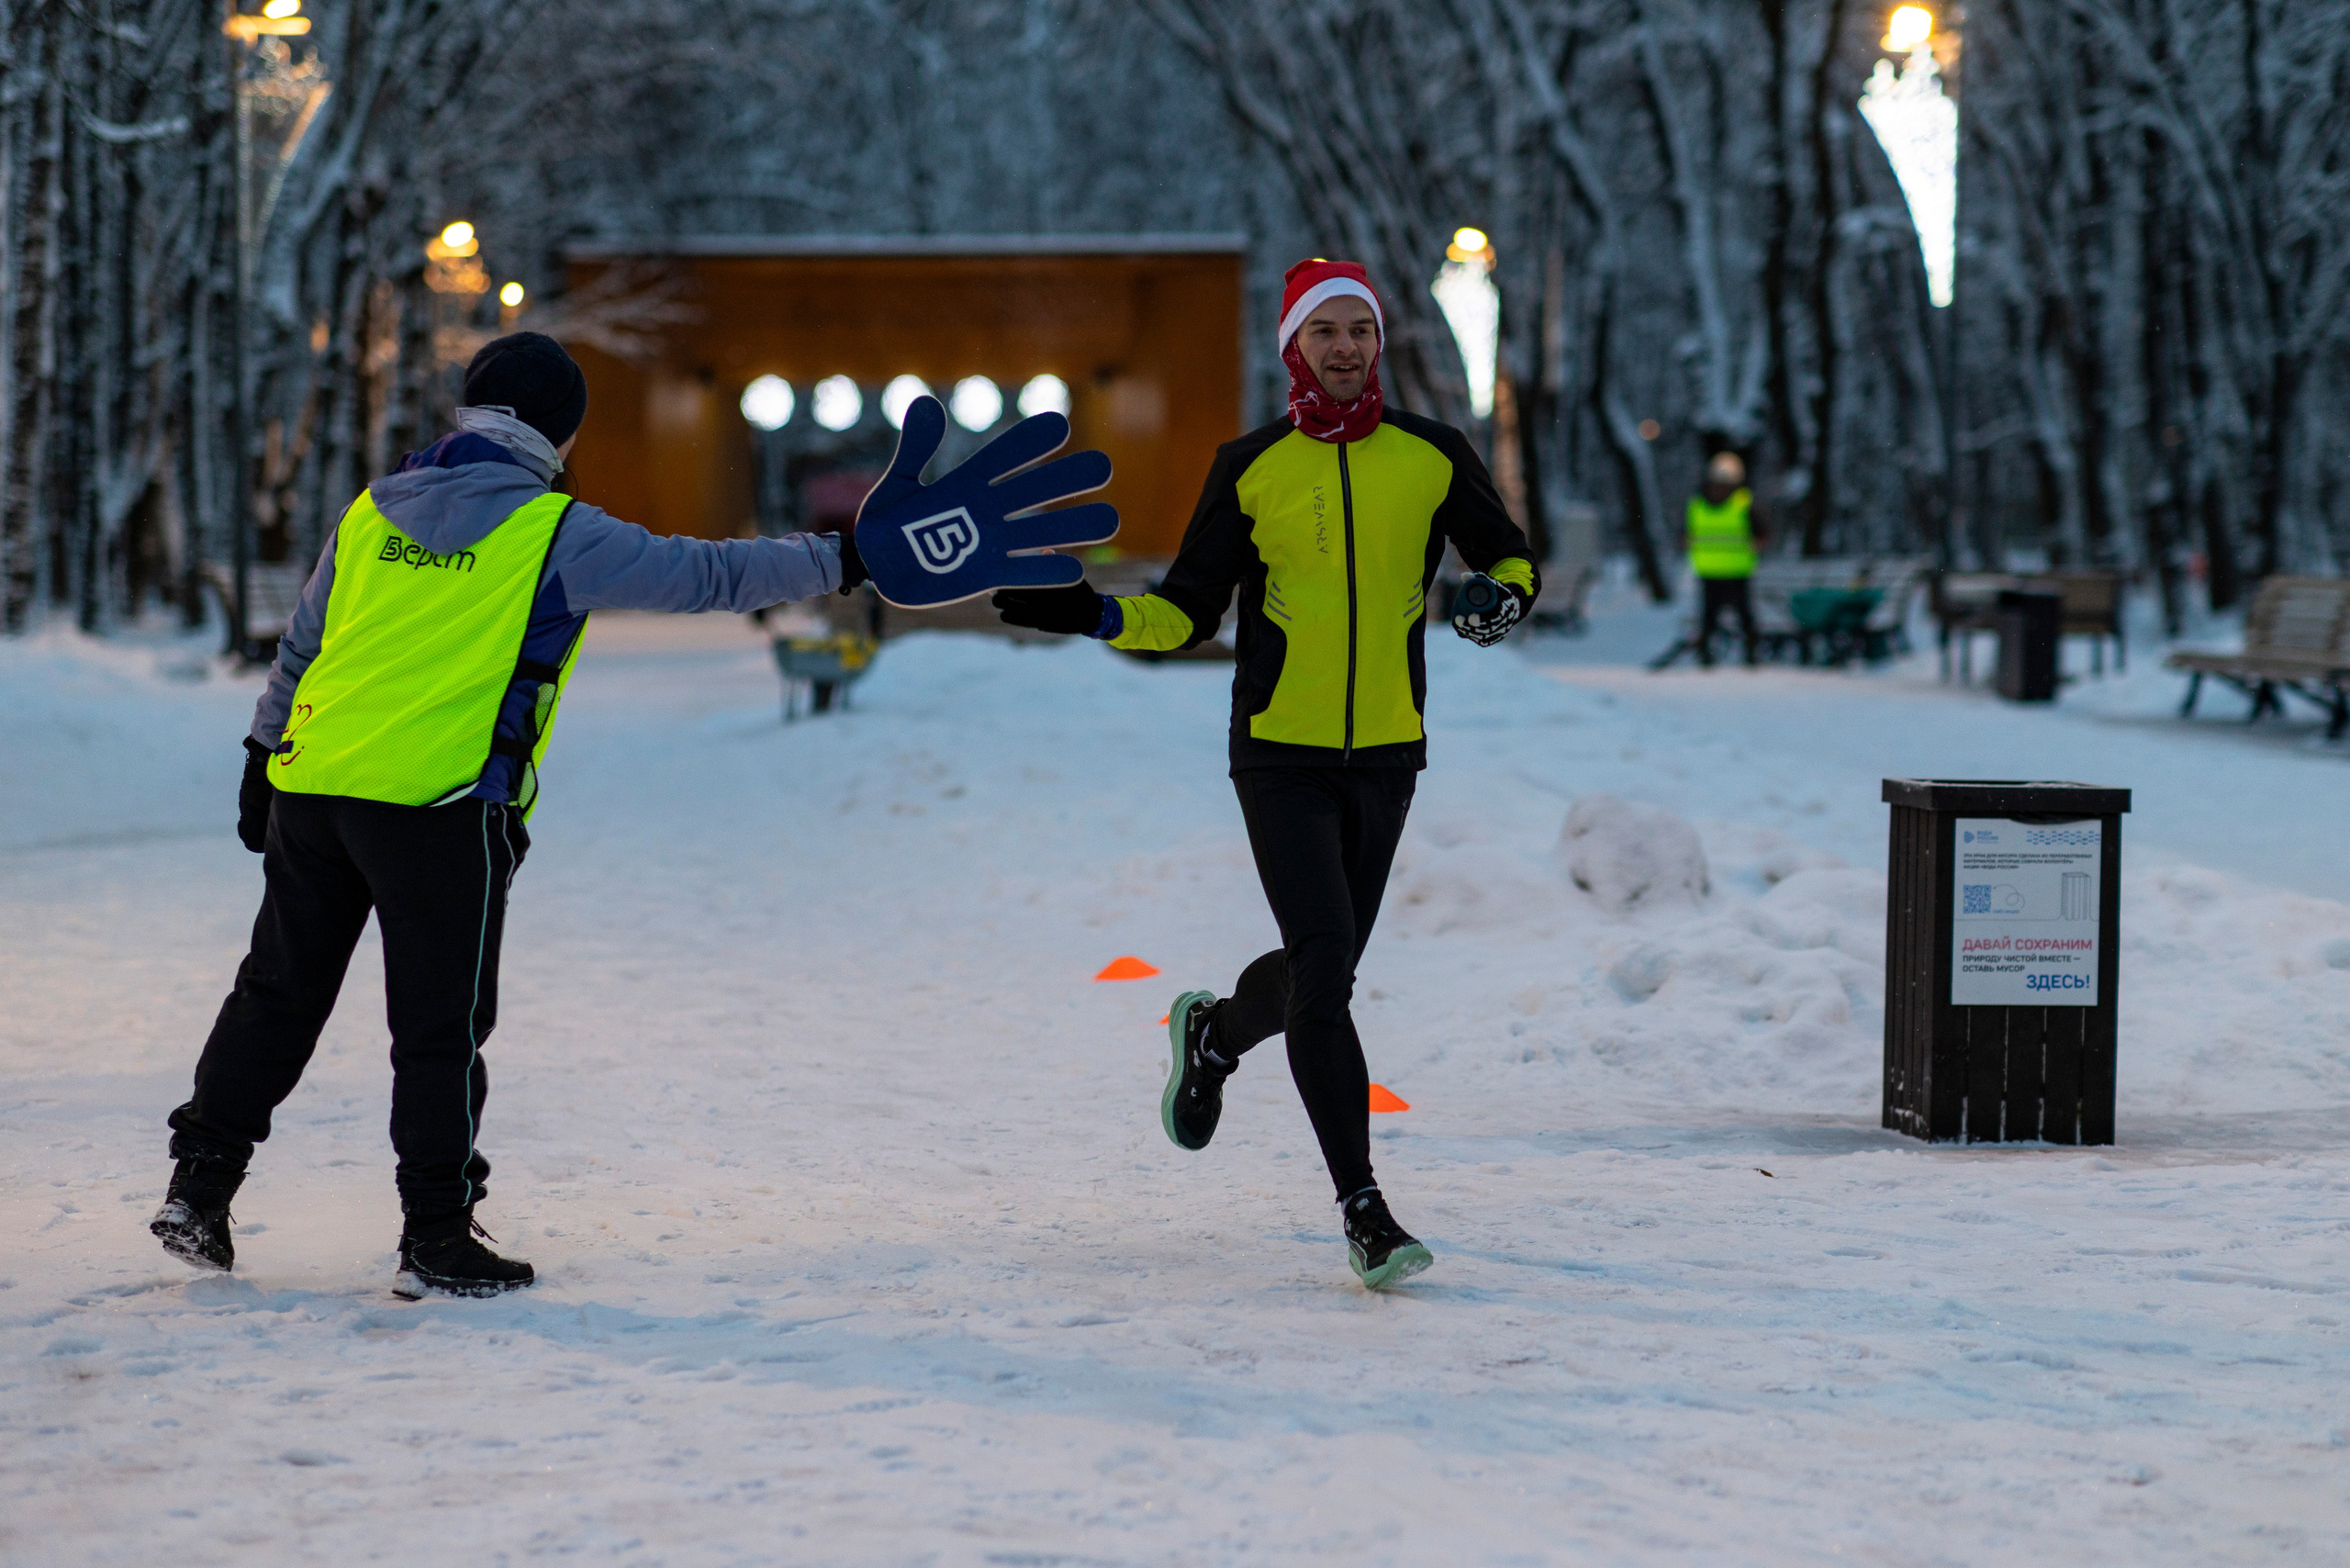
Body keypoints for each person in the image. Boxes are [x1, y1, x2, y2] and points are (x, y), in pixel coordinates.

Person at [150, 332, 866, 1299]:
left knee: (276, 994)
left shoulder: (371, 510)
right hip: (440, 807)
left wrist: (260, 754)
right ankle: (436, 1237)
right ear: (561, 431)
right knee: (437, 1029)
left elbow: (304, 643)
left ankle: (200, 1190)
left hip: (315, 791)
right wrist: (845, 555)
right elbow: (710, 576)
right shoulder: (554, 531)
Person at [993, 259, 1539, 1290]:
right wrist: (1095, 612)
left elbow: (1509, 559)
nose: (1345, 349)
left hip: (1386, 751)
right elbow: (1188, 611)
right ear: (1293, 346)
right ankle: (1364, 1211)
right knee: (1327, 971)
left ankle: (1213, 1033)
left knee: (1315, 972)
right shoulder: (1250, 466)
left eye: (1360, 333)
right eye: (1324, 332)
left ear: (1379, 345)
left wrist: (1495, 602)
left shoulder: (1430, 455)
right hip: (1277, 753)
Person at [1688, 450, 1761, 666]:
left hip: (1725, 571)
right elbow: (1763, 536)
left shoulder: (1698, 505)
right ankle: (1716, 656)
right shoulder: (1743, 504)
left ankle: (1741, 656)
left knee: (1720, 617)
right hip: (1723, 570)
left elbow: (1686, 537)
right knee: (1725, 617)